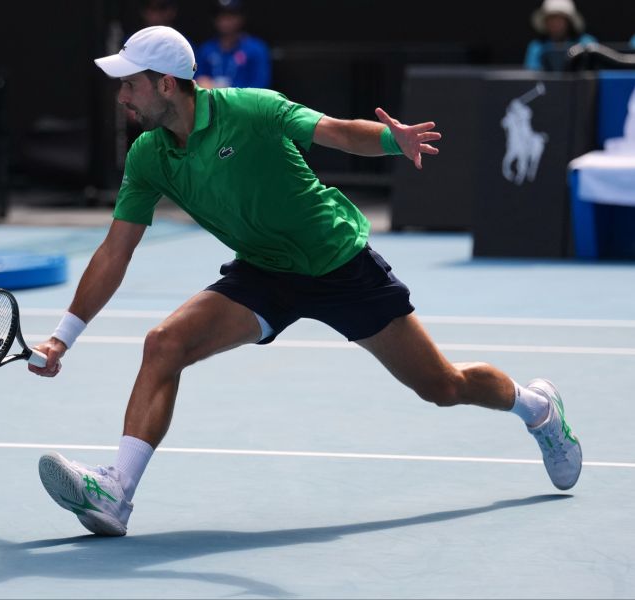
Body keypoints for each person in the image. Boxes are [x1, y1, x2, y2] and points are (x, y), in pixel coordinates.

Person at [30, 25, 583, 537]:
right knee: (163, 343)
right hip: (265, 272)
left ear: (166, 84)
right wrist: (63, 336)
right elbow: (115, 251)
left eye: (129, 85)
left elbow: (336, 132)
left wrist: (393, 141)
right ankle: (116, 491)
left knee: (442, 386)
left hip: (338, 264)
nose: (121, 98)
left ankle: (535, 407)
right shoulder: (149, 156)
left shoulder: (250, 109)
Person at [194, 0, 270, 89]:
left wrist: (223, 89)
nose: (225, 20)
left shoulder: (256, 49)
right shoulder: (206, 49)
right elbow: (197, 81)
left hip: (244, 102)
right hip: (211, 101)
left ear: (241, 17)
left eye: (231, 15)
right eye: (220, 15)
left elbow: (260, 86)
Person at [524, 0, 596, 71]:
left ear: (569, 21)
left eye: (559, 18)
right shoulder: (536, 47)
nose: (555, 23)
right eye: (551, 18)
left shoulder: (586, 43)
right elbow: (532, 76)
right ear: (545, 21)